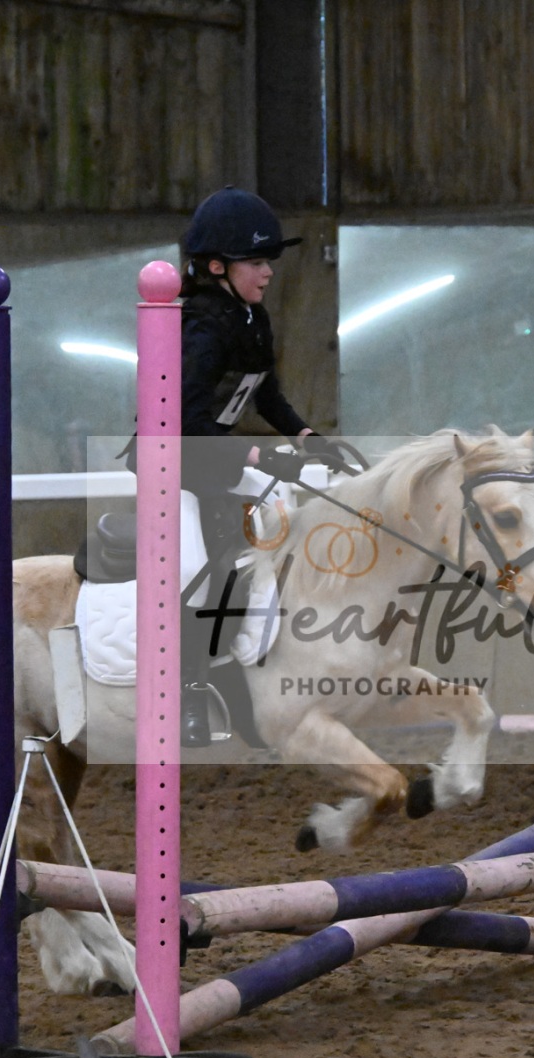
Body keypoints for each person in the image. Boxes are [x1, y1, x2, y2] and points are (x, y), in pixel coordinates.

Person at [175, 185, 341, 746]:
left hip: (214, 463)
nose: (268, 272)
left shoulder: (252, 318)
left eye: (268, 261)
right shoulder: (199, 328)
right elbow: (186, 422)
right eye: (255, 262)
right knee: (198, 571)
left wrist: (306, 436)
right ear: (216, 267)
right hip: (172, 466)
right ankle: (190, 693)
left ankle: (252, 673)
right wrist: (258, 454)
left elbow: (266, 394)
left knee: (278, 538)